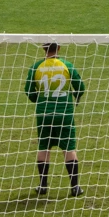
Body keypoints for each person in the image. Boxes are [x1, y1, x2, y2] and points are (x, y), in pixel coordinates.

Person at [26, 42, 86, 197]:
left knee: (44, 147)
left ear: (43, 48)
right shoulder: (66, 65)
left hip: (43, 113)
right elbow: (80, 86)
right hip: (64, 114)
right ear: (58, 48)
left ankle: (43, 185)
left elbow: (29, 91)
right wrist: (75, 96)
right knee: (69, 148)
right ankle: (75, 187)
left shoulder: (36, 67)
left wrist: (38, 99)